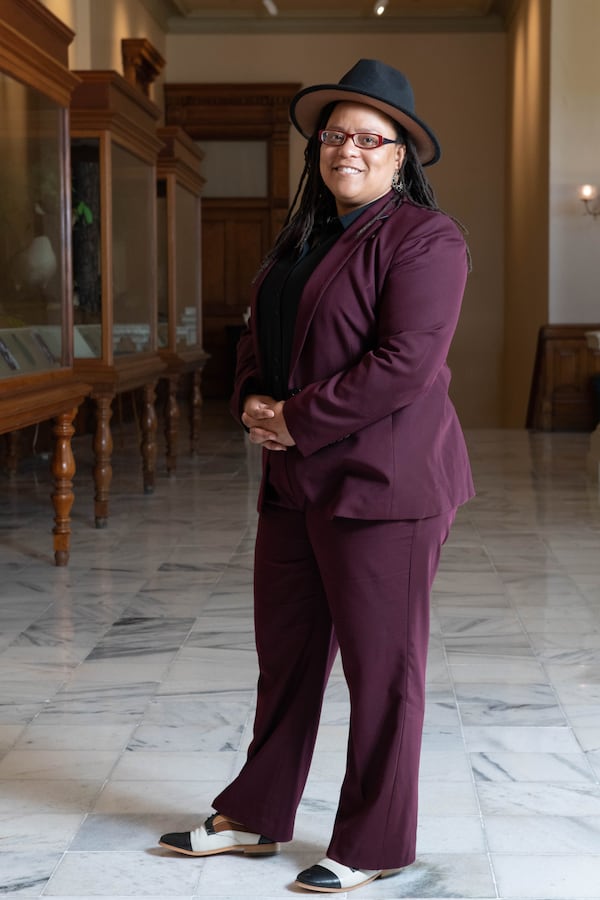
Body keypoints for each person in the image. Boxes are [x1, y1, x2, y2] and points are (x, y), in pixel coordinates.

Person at [159, 58, 474, 894]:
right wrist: (252, 401)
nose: (349, 150)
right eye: (336, 136)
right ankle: (256, 814)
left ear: (400, 155)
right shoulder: (300, 238)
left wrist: (295, 418)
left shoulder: (426, 239)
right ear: (318, 149)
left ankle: (375, 842)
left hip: (384, 487)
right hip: (294, 482)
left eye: (370, 138)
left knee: (383, 672)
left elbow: (406, 363)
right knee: (288, 658)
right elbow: (254, 337)